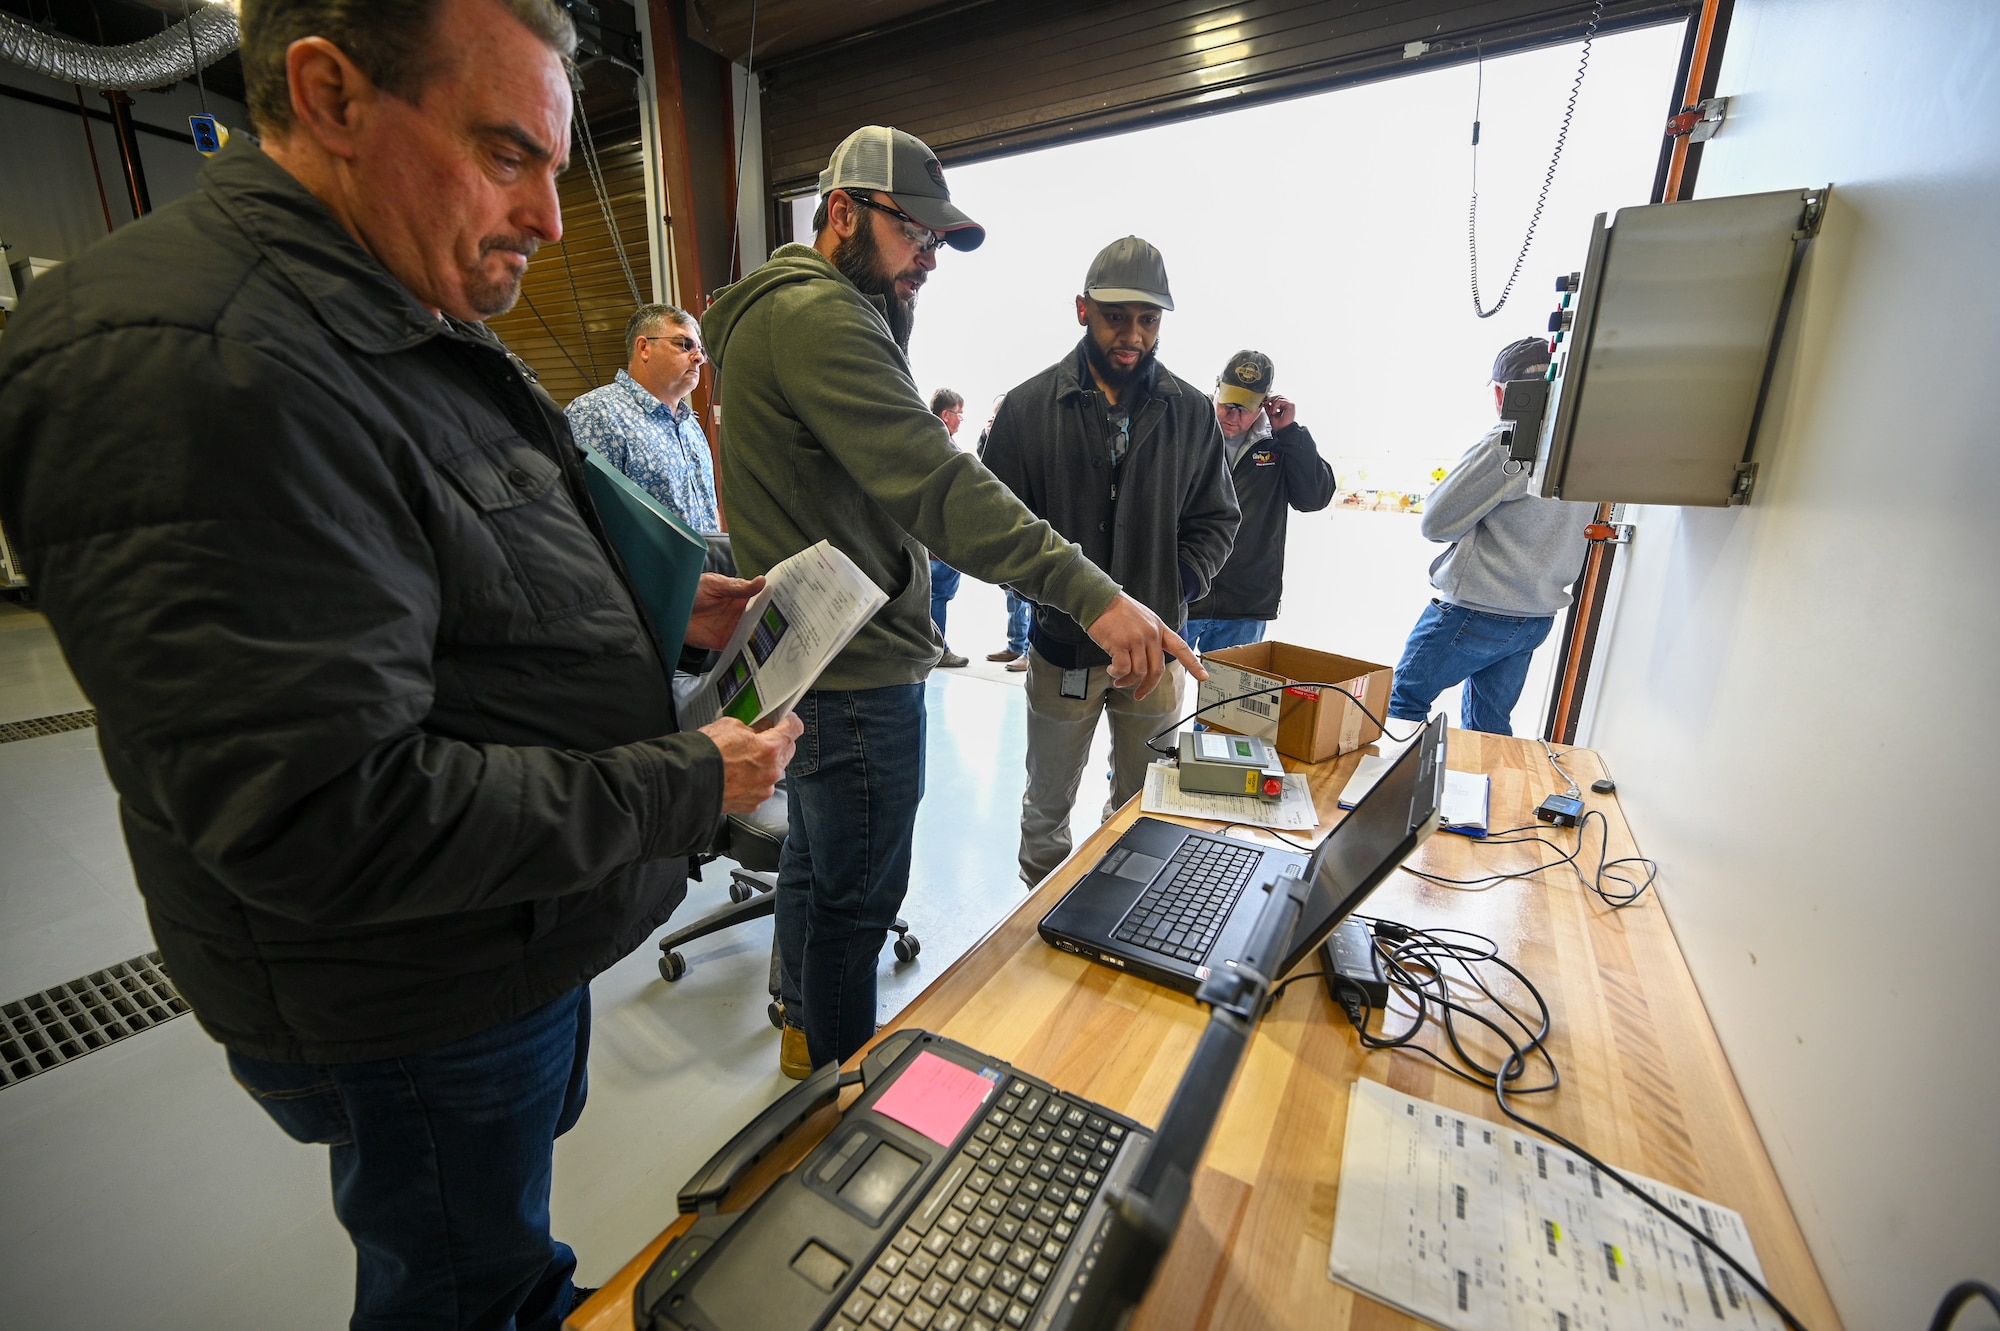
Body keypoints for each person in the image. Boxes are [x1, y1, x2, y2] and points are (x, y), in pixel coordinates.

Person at [0, 3, 800, 1327]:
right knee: (470, 1288)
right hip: (415, 988)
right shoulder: (202, 365)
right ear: (330, 96)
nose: (550, 216)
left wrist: (668, 606)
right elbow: (326, 811)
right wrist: (680, 784)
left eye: (557, 163)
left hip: (507, 928)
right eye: (506, 154)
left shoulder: (387, 300)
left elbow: (462, 567)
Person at [703, 128, 1201, 1076]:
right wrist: (1091, 593)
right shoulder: (821, 316)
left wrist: (891, 297)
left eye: (935, 246)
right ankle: (845, 1108)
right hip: (854, 669)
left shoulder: (796, 312)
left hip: (811, 658)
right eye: (912, 236)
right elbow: (938, 486)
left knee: (814, 864)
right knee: (856, 899)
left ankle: (806, 1048)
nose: (926, 261)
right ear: (841, 212)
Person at [980, 237, 1240, 888]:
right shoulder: (1026, 410)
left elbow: (1217, 518)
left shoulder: (1189, 414)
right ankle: (1037, 918)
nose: (1132, 335)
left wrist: (1172, 586)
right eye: (1115, 316)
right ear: (1081, 310)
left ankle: (1116, 913)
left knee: (1143, 803)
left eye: (1148, 320)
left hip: (1152, 661)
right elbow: (993, 532)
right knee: (1046, 809)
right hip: (1062, 652)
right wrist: (1050, 597)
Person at [1387, 336, 1595, 734]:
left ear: (1502, 394)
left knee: (1403, 702)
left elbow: (1436, 523)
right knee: (1489, 723)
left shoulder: (1509, 441)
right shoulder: (1584, 445)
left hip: (1477, 609)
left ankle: (1397, 796)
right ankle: (1491, 795)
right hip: (1535, 617)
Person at [1184, 350, 1336, 651]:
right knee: (1160, 693)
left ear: (1265, 402)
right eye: (1228, 402)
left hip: (1245, 605)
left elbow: (1315, 498)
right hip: (1183, 594)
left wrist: (1291, 433)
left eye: (1246, 406)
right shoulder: (1187, 429)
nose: (1234, 414)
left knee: (1229, 699)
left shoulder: (1280, 444)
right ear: (1217, 388)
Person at [565, 303, 720, 531]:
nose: (699, 358)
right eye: (684, 345)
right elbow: (582, 523)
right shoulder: (596, 414)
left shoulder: (690, 425)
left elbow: (709, 509)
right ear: (644, 347)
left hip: (710, 566)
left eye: (702, 351)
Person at [976, 392, 1033, 671]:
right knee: (1013, 596)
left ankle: (1028, 652)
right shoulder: (992, 442)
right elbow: (985, 471)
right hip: (1006, 533)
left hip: (1027, 529)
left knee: (1034, 599)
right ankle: (1015, 646)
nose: (993, 419)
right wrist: (988, 436)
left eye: (999, 414)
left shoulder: (1027, 441)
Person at [926, 387, 969, 667]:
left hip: (936, 535)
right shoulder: (941, 446)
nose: (961, 420)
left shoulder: (923, 439)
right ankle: (938, 649)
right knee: (938, 594)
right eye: (959, 414)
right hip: (941, 536)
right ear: (945, 414)